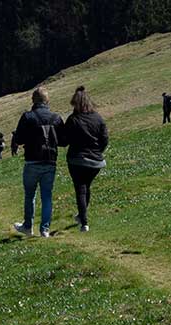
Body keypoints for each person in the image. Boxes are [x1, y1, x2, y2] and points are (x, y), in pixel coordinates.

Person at [13, 86, 65, 238]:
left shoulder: (27, 117)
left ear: (33, 100)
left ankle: (28, 226)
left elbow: (19, 139)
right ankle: (45, 229)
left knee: (30, 195)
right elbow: (63, 141)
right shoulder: (56, 118)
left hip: (32, 161)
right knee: (47, 195)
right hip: (50, 161)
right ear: (47, 100)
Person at [64, 86, 108, 233]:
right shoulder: (98, 118)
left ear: (76, 103)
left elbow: (65, 140)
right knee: (86, 187)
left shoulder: (73, 119)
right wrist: (98, 152)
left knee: (80, 189)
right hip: (95, 162)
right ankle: (81, 216)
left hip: (77, 159)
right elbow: (104, 139)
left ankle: (84, 223)